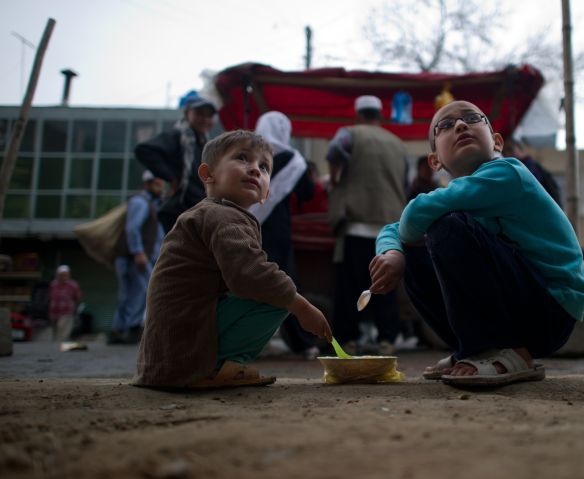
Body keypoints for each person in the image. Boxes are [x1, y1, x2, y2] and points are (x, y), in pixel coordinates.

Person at [368, 100, 584, 388]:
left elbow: (412, 217)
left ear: (496, 142)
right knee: (420, 247)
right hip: (521, 304)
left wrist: (404, 238)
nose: (461, 125)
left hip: (549, 311)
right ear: (435, 160)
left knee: (444, 227)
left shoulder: (508, 173)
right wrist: (393, 253)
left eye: (473, 119)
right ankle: (474, 348)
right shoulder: (457, 198)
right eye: (446, 125)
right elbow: (395, 229)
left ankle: (506, 351)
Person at [133, 130, 332, 389]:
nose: (254, 169)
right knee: (277, 296)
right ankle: (219, 367)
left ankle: (215, 366)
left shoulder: (212, 213)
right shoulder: (221, 216)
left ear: (267, 193)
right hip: (184, 356)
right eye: (242, 158)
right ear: (207, 174)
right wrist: (302, 307)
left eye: (264, 167)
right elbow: (250, 275)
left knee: (274, 289)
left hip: (168, 357)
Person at [326, 95, 407, 355]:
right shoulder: (398, 143)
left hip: (356, 223)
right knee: (386, 284)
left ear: (359, 115)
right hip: (390, 228)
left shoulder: (349, 133)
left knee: (350, 285)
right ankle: (387, 340)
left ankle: (348, 340)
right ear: (379, 116)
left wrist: (335, 179)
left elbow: (333, 153)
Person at [249, 111, 318, 358]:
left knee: (248, 281)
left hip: (248, 226)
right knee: (284, 283)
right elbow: (307, 193)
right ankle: (301, 342)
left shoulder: (248, 155)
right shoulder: (292, 159)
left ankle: (248, 340)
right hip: (277, 229)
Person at [134, 93, 217, 233]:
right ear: (187, 113)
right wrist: (172, 177)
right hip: (179, 210)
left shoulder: (204, 143)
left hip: (199, 209)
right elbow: (144, 150)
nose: (205, 119)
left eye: (209, 116)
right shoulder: (178, 136)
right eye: (200, 114)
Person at [108, 170, 165, 345]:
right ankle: (131, 328)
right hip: (134, 257)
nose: (160, 188)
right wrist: (138, 252)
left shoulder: (150, 205)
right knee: (139, 291)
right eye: (157, 184)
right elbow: (133, 228)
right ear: (147, 184)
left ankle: (119, 330)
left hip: (133, 256)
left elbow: (156, 235)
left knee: (130, 292)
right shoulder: (141, 202)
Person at [503, 139, 562, 207]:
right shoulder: (523, 166)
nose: (507, 154)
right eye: (504, 152)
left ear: (519, 148)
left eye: (510, 149)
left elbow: (529, 187)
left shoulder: (529, 166)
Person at [48, 265, 82, 342]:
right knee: (55, 334)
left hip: (67, 313)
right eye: (61, 275)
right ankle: (56, 349)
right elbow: (50, 297)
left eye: (65, 274)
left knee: (62, 336)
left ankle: (60, 349)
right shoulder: (53, 284)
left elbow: (78, 297)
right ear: (58, 275)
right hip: (54, 313)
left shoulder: (73, 285)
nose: (63, 276)